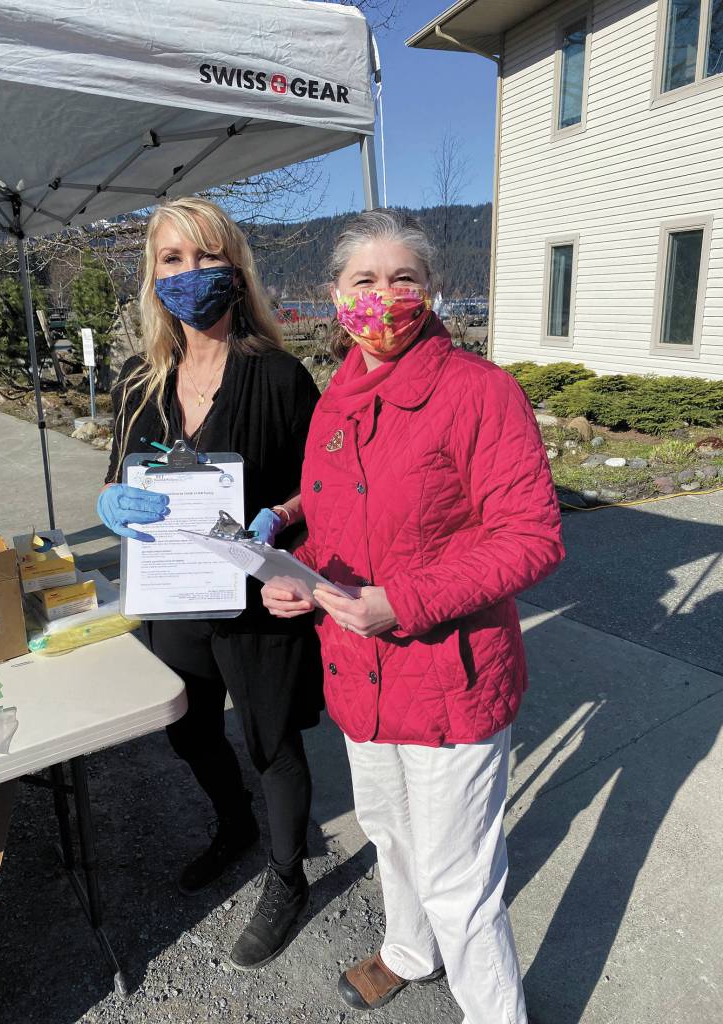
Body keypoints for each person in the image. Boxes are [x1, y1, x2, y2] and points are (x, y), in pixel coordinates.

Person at [262, 209, 564, 1022]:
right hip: (359, 673)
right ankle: (407, 950)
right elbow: (336, 526)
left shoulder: (480, 392)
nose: (383, 296)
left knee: (458, 876)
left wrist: (402, 601)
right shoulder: (335, 400)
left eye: (404, 279)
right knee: (388, 834)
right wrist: (296, 577)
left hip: (448, 678)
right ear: (335, 295)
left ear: (432, 291)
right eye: (364, 280)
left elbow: (532, 538)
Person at [97, 196, 322, 970]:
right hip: (173, 593)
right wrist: (109, 502)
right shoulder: (138, 381)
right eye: (173, 258)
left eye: (206, 256)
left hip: (255, 596)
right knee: (189, 729)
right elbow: (116, 475)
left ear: (235, 267)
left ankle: (288, 879)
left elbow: (325, 485)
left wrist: (281, 514)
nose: (190, 273)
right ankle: (236, 824)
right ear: (153, 275)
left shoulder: (280, 376)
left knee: (271, 742)